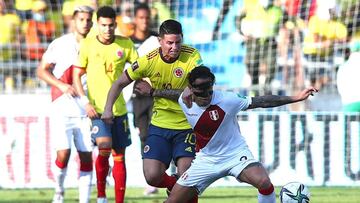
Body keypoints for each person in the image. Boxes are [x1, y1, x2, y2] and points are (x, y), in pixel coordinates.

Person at [163, 66, 318, 203]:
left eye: (209, 92)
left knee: (264, 182)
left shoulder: (227, 99)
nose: (206, 97)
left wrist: (296, 97)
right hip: (206, 160)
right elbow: (172, 92)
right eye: (201, 93)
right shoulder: (184, 100)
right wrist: (151, 91)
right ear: (191, 89)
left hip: (235, 155)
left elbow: (262, 101)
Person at [101, 19, 203, 203]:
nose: (174, 47)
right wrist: (108, 109)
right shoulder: (148, 61)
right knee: (152, 176)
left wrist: (155, 92)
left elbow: (197, 92)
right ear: (160, 40)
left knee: (187, 175)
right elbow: (119, 83)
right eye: (170, 43)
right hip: (159, 125)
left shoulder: (192, 56)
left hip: (186, 125)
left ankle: (180, 187)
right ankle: (173, 184)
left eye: (178, 42)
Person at [72, 6, 138, 203]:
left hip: (119, 109)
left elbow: (139, 68)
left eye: (110, 25)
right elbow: (77, 75)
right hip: (97, 110)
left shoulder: (125, 44)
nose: (107, 29)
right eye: (103, 25)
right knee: (104, 146)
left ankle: (118, 200)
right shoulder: (88, 45)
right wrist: (85, 102)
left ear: (115, 25)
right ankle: (101, 196)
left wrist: (144, 82)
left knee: (119, 155)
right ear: (97, 25)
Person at [36, 5, 94, 203]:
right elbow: (42, 70)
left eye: (88, 20)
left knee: (87, 156)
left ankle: (84, 200)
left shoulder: (96, 45)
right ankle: (59, 190)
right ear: (73, 21)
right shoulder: (60, 44)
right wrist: (60, 84)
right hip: (62, 106)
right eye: (81, 19)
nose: (85, 23)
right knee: (64, 154)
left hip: (87, 109)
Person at [129, 2, 160, 196]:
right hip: (137, 96)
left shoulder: (157, 39)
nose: (144, 21)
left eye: (147, 18)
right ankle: (150, 178)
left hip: (157, 95)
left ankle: (163, 175)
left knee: (160, 134)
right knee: (143, 136)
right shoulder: (127, 41)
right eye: (141, 18)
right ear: (135, 19)